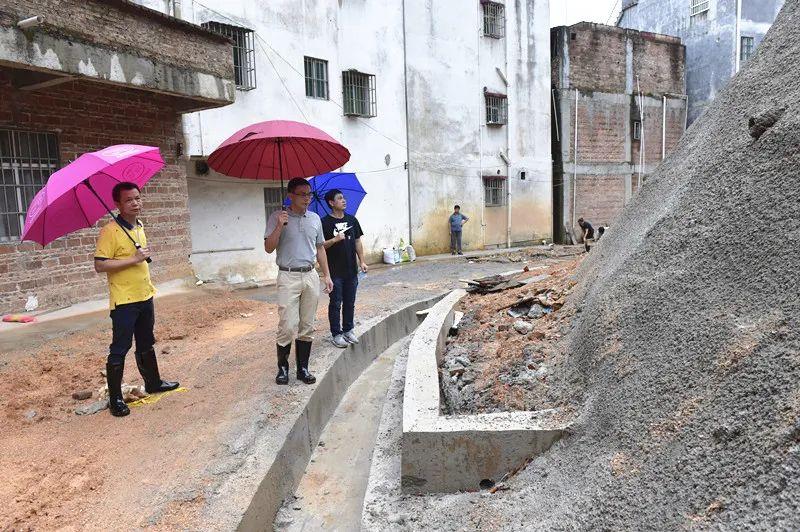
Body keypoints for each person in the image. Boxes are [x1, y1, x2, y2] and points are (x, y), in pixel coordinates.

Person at [94, 182, 179, 417]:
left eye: (138, 198)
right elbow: (100, 264)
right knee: (120, 347)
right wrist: (132, 259)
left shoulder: (139, 226)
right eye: (129, 200)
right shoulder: (110, 231)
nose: (135, 203)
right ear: (117, 205)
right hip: (124, 300)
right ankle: (115, 400)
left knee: (146, 341)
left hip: (144, 294)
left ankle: (153, 383)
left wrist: (137, 258)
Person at [264, 178, 334, 385]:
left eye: (309, 194)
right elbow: (268, 247)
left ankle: (303, 368)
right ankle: (283, 368)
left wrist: (326, 275)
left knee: (307, 324)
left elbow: (320, 247)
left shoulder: (315, 219)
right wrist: (279, 226)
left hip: (310, 275)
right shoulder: (277, 217)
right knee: (287, 324)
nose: (307, 198)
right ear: (290, 196)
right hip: (288, 275)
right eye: (302, 194)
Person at [321, 189, 367, 348]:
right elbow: (320, 247)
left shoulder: (352, 220)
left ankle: (348, 330)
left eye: (344, 198)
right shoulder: (324, 223)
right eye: (339, 198)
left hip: (351, 270)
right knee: (335, 303)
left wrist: (362, 261)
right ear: (331, 203)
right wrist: (334, 239)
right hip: (334, 271)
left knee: (350, 302)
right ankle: (336, 334)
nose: (344, 200)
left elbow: (357, 242)